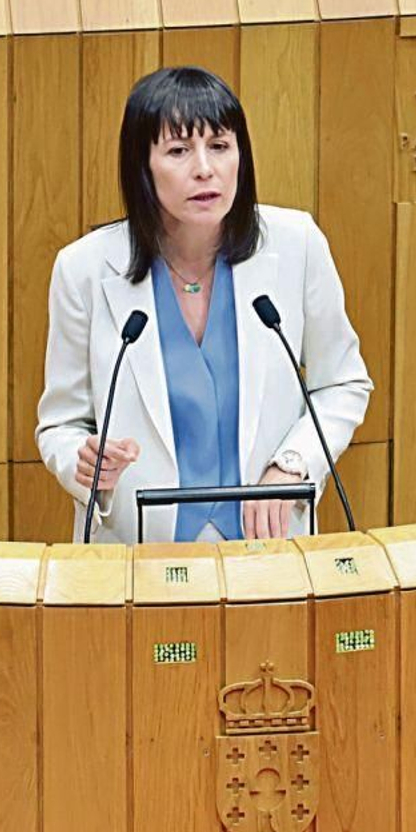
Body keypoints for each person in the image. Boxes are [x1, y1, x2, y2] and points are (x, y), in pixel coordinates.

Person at [35, 66, 372, 545]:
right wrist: (86, 464)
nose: (204, 169)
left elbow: (343, 383)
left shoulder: (297, 246)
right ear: (142, 167)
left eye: (219, 146)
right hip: (137, 553)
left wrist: (292, 466)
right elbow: (61, 424)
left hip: (269, 550)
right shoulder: (84, 270)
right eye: (178, 150)